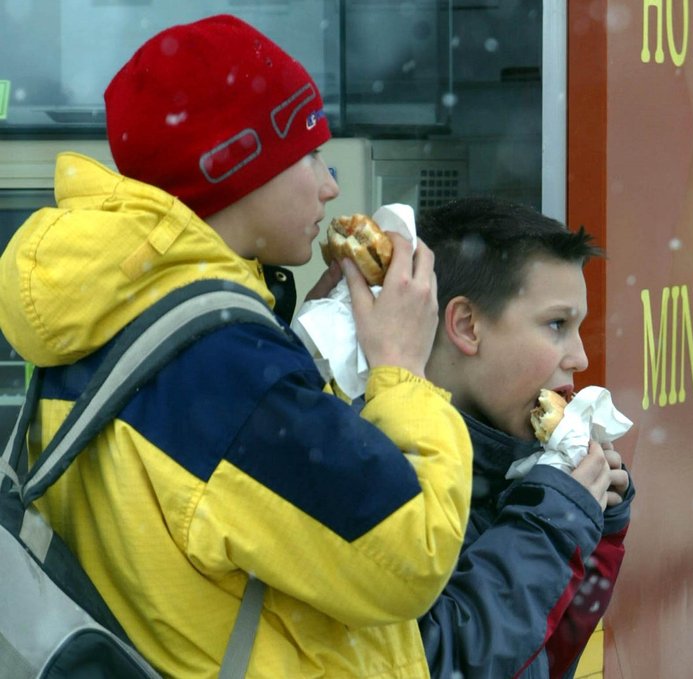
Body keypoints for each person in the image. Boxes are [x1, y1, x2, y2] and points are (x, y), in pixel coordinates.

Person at [0, 15, 472, 678]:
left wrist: (296, 355)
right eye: (309, 155)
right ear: (234, 165)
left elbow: (204, 510)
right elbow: (410, 555)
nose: (330, 185)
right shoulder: (227, 370)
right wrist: (403, 370)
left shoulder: (122, 307)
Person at [415, 196, 635, 678]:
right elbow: (445, 662)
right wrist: (555, 520)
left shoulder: (515, 475)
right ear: (467, 326)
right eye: (556, 324)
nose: (578, 356)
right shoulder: (393, 469)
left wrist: (598, 528)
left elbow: (546, 660)